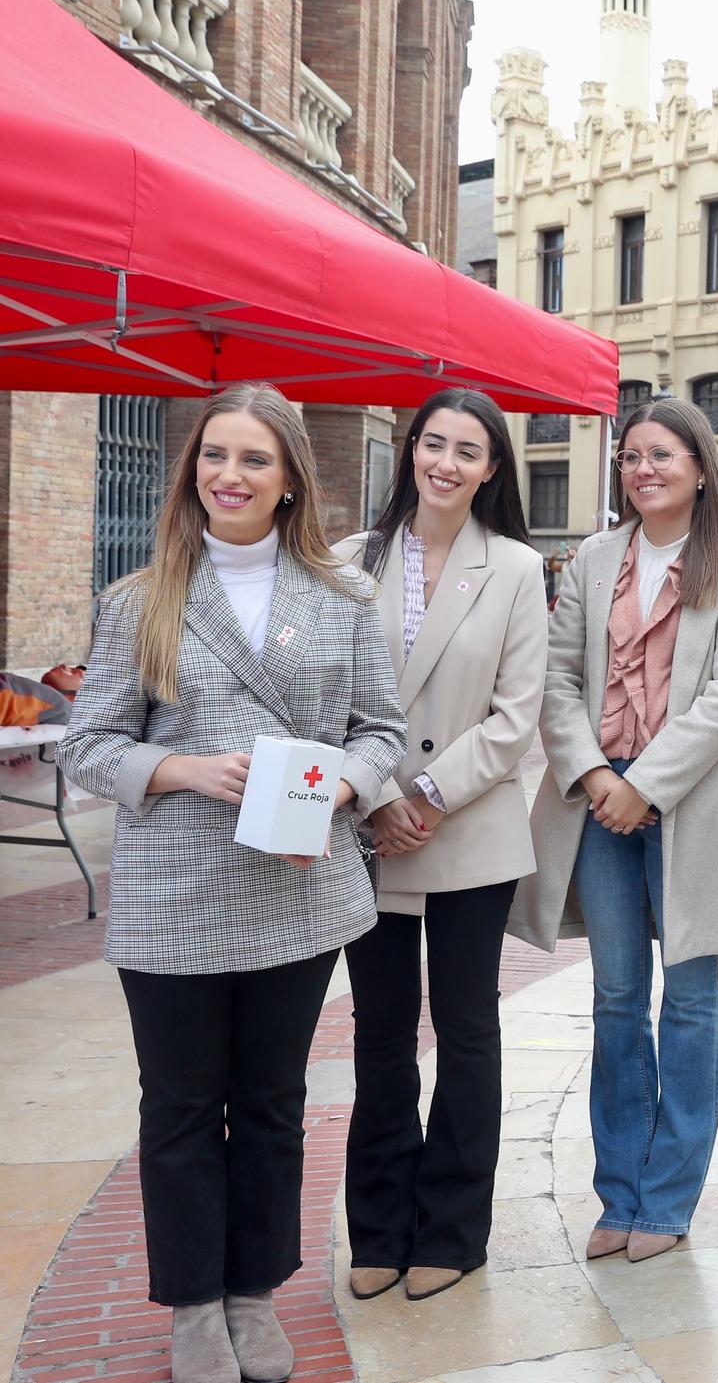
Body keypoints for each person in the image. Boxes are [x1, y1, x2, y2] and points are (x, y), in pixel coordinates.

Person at [58, 383, 405, 1383]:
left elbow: (380, 731)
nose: (229, 476)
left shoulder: (338, 601)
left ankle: (253, 1293)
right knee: (177, 1107)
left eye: (254, 459)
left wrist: (345, 781)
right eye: (214, 456)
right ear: (190, 470)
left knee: (270, 1104)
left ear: (291, 479)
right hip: (174, 894)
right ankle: (192, 1307)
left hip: (295, 893)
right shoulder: (141, 598)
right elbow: (89, 746)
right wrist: (182, 770)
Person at [516, 398, 718, 1263]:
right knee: (616, 1000)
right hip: (596, 801)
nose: (644, 469)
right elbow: (555, 678)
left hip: (690, 804)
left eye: (662, 455)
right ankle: (618, 1191)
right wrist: (595, 776)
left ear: (701, 466)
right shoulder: (594, 558)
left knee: (690, 1005)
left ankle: (667, 1201)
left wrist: (647, 786)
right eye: (630, 457)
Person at [333, 389, 547, 1304]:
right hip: (367, 831)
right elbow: (325, 698)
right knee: (379, 1038)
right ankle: (378, 1228)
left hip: (470, 832)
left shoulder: (517, 569)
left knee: (466, 1036)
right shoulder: (346, 562)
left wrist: (425, 792)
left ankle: (455, 1232)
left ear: (492, 466)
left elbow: (517, 714)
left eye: (468, 450)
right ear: (409, 451)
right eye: (433, 444)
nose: (446, 463)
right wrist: (378, 797)